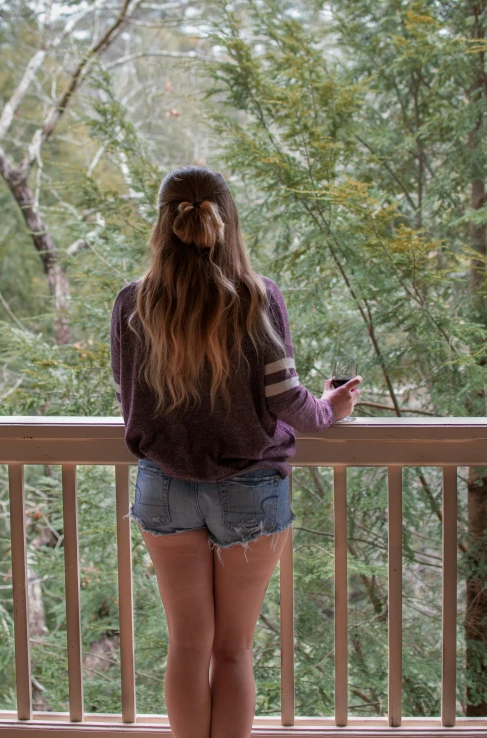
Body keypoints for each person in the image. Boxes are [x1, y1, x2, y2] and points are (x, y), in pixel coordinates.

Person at [110, 165, 361, 738]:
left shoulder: (133, 303)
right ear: (229, 220)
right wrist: (332, 409)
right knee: (233, 650)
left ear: (162, 223)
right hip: (250, 489)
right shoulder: (256, 298)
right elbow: (288, 401)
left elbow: (130, 401)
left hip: (165, 487)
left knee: (187, 646)